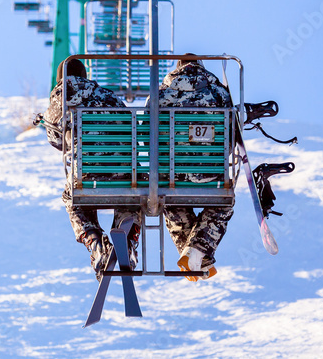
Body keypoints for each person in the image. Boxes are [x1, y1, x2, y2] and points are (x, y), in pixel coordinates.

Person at [39, 58, 139, 278]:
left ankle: (95, 242)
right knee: (133, 196)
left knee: (73, 199)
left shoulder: (60, 100)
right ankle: (127, 239)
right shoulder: (108, 96)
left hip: (87, 175)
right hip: (124, 174)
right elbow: (132, 129)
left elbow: (55, 140)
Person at [157, 57, 235, 281]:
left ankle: (195, 256)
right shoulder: (219, 93)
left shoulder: (162, 93)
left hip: (173, 173)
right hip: (210, 174)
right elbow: (231, 134)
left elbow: (146, 133)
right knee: (223, 204)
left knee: (171, 203)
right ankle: (197, 256)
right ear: (202, 66)